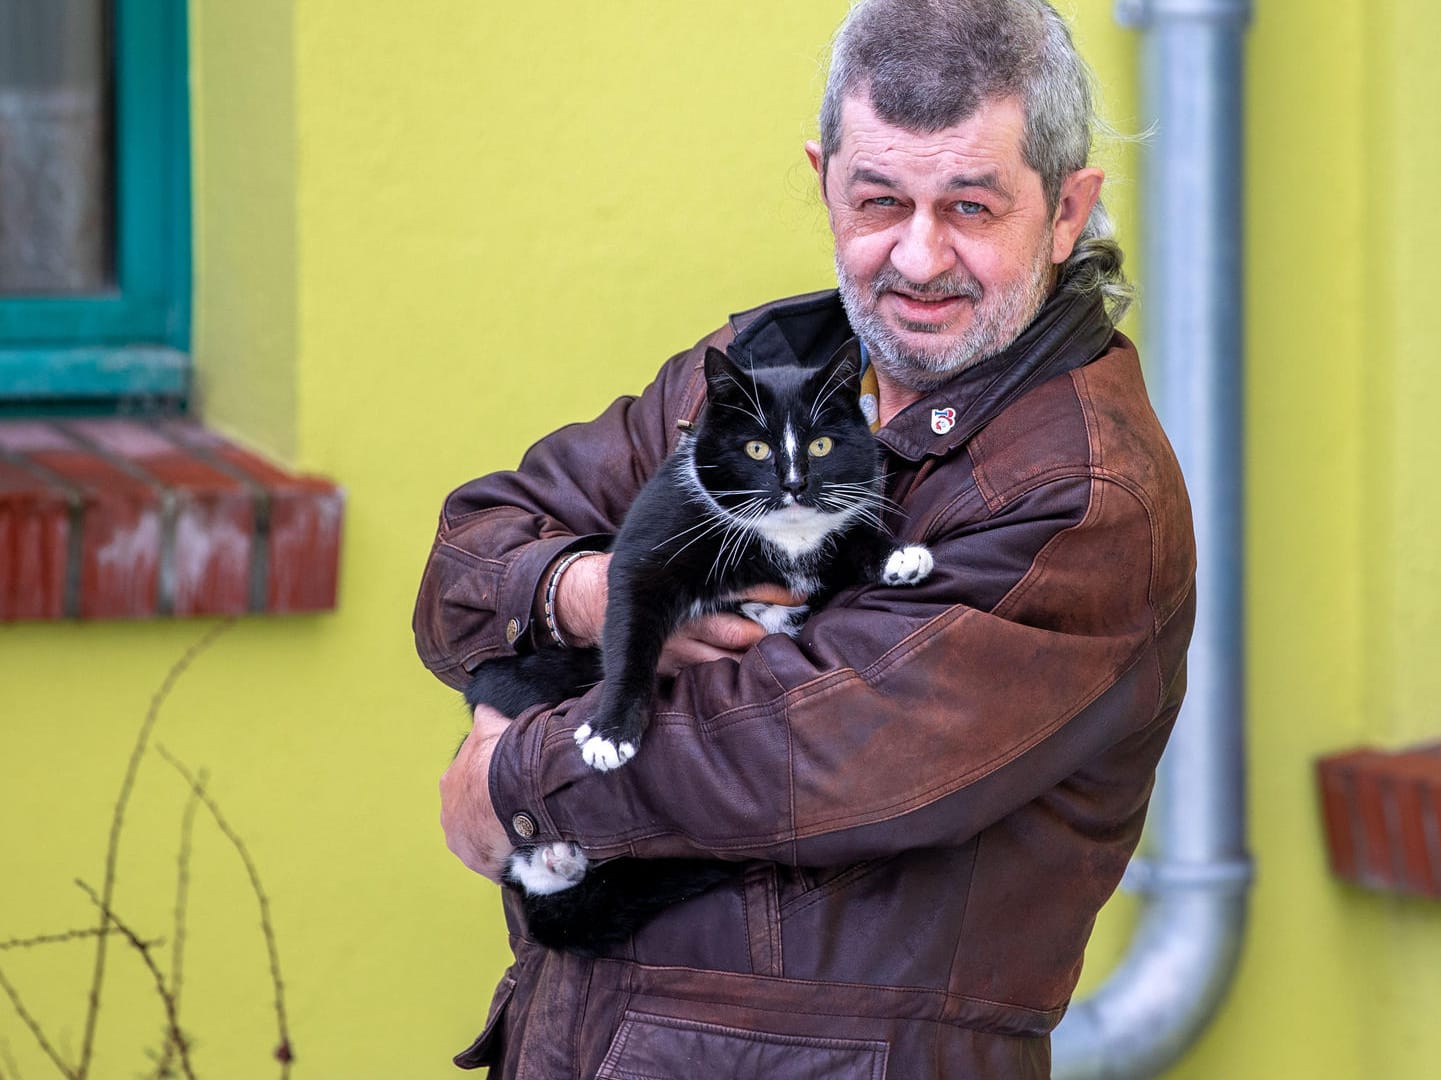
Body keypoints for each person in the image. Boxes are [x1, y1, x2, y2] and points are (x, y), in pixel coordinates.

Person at [419, 0, 1195, 1075]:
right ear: (824, 177)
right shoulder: (754, 366)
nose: (918, 259)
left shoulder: (1078, 490)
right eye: (880, 200)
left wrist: (512, 781)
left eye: (971, 205)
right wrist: (594, 595)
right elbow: (471, 552)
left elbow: (795, 751)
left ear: (1067, 213)